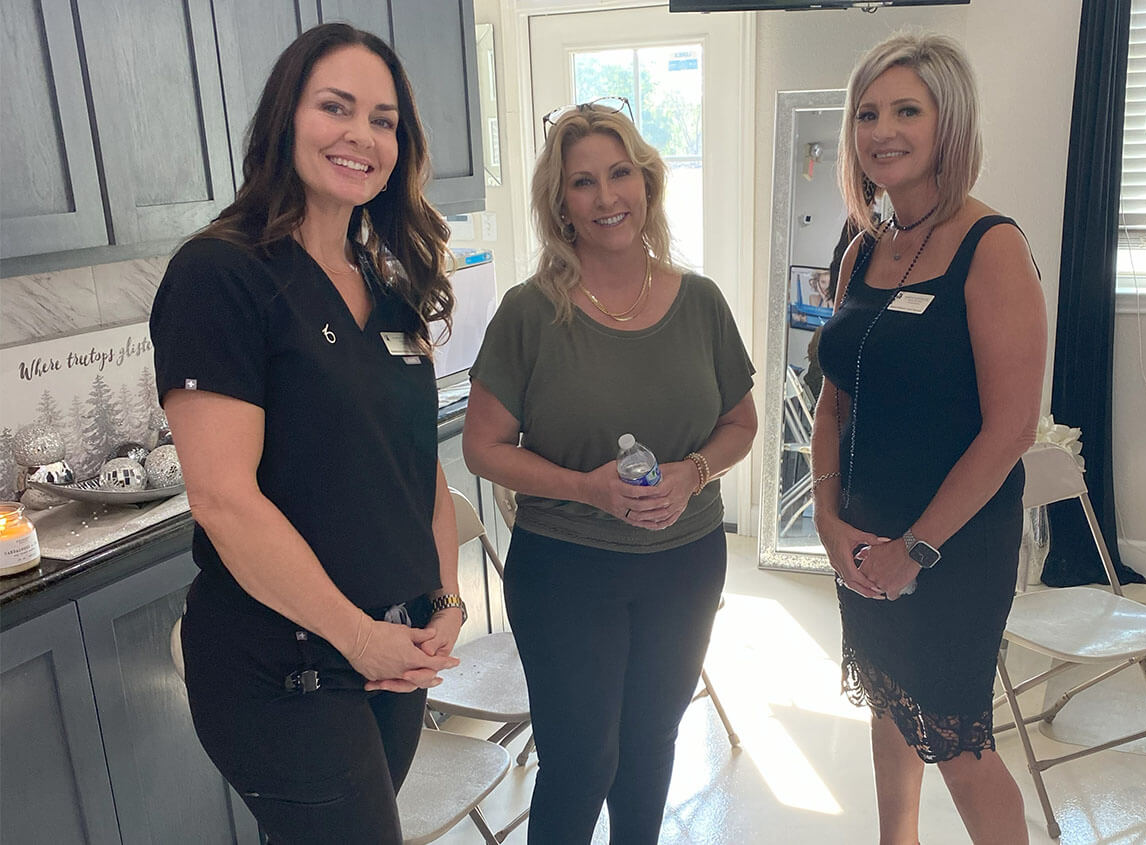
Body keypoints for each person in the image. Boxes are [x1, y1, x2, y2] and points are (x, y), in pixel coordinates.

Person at [149, 23, 465, 844]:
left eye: (385, 119)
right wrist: (359, 637)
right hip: (282, 664)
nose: (363, 135)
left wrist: (446, 597)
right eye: (337, 107)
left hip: (389, 650)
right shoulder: (222, 275)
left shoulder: (389, 281)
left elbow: (416, 468)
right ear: (287, 118)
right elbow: (223, 499)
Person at [462, 98, 756, 845]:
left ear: (647, 183)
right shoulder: (529, 314)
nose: (606, 197)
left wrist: (693, 472)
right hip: (566, 568)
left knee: (652, 746)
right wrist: (586, 487)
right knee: (581, 760)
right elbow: (484, 447)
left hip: (685, 563)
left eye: (619, 173)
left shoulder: (701, 303)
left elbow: (741, 423)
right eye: (582, 182)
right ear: (560, 204)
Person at [812, 32, 1046, 844]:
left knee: (956, 736)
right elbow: (833, 403)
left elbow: (1011, 426)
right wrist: (828, 515)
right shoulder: (863, 249)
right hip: (864, 530)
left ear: (950, 122)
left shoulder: (994, 247)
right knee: (885, 693)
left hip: (952, 542)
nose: (882, 130)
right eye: (868, 113)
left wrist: (915, 546)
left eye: (907, 109)